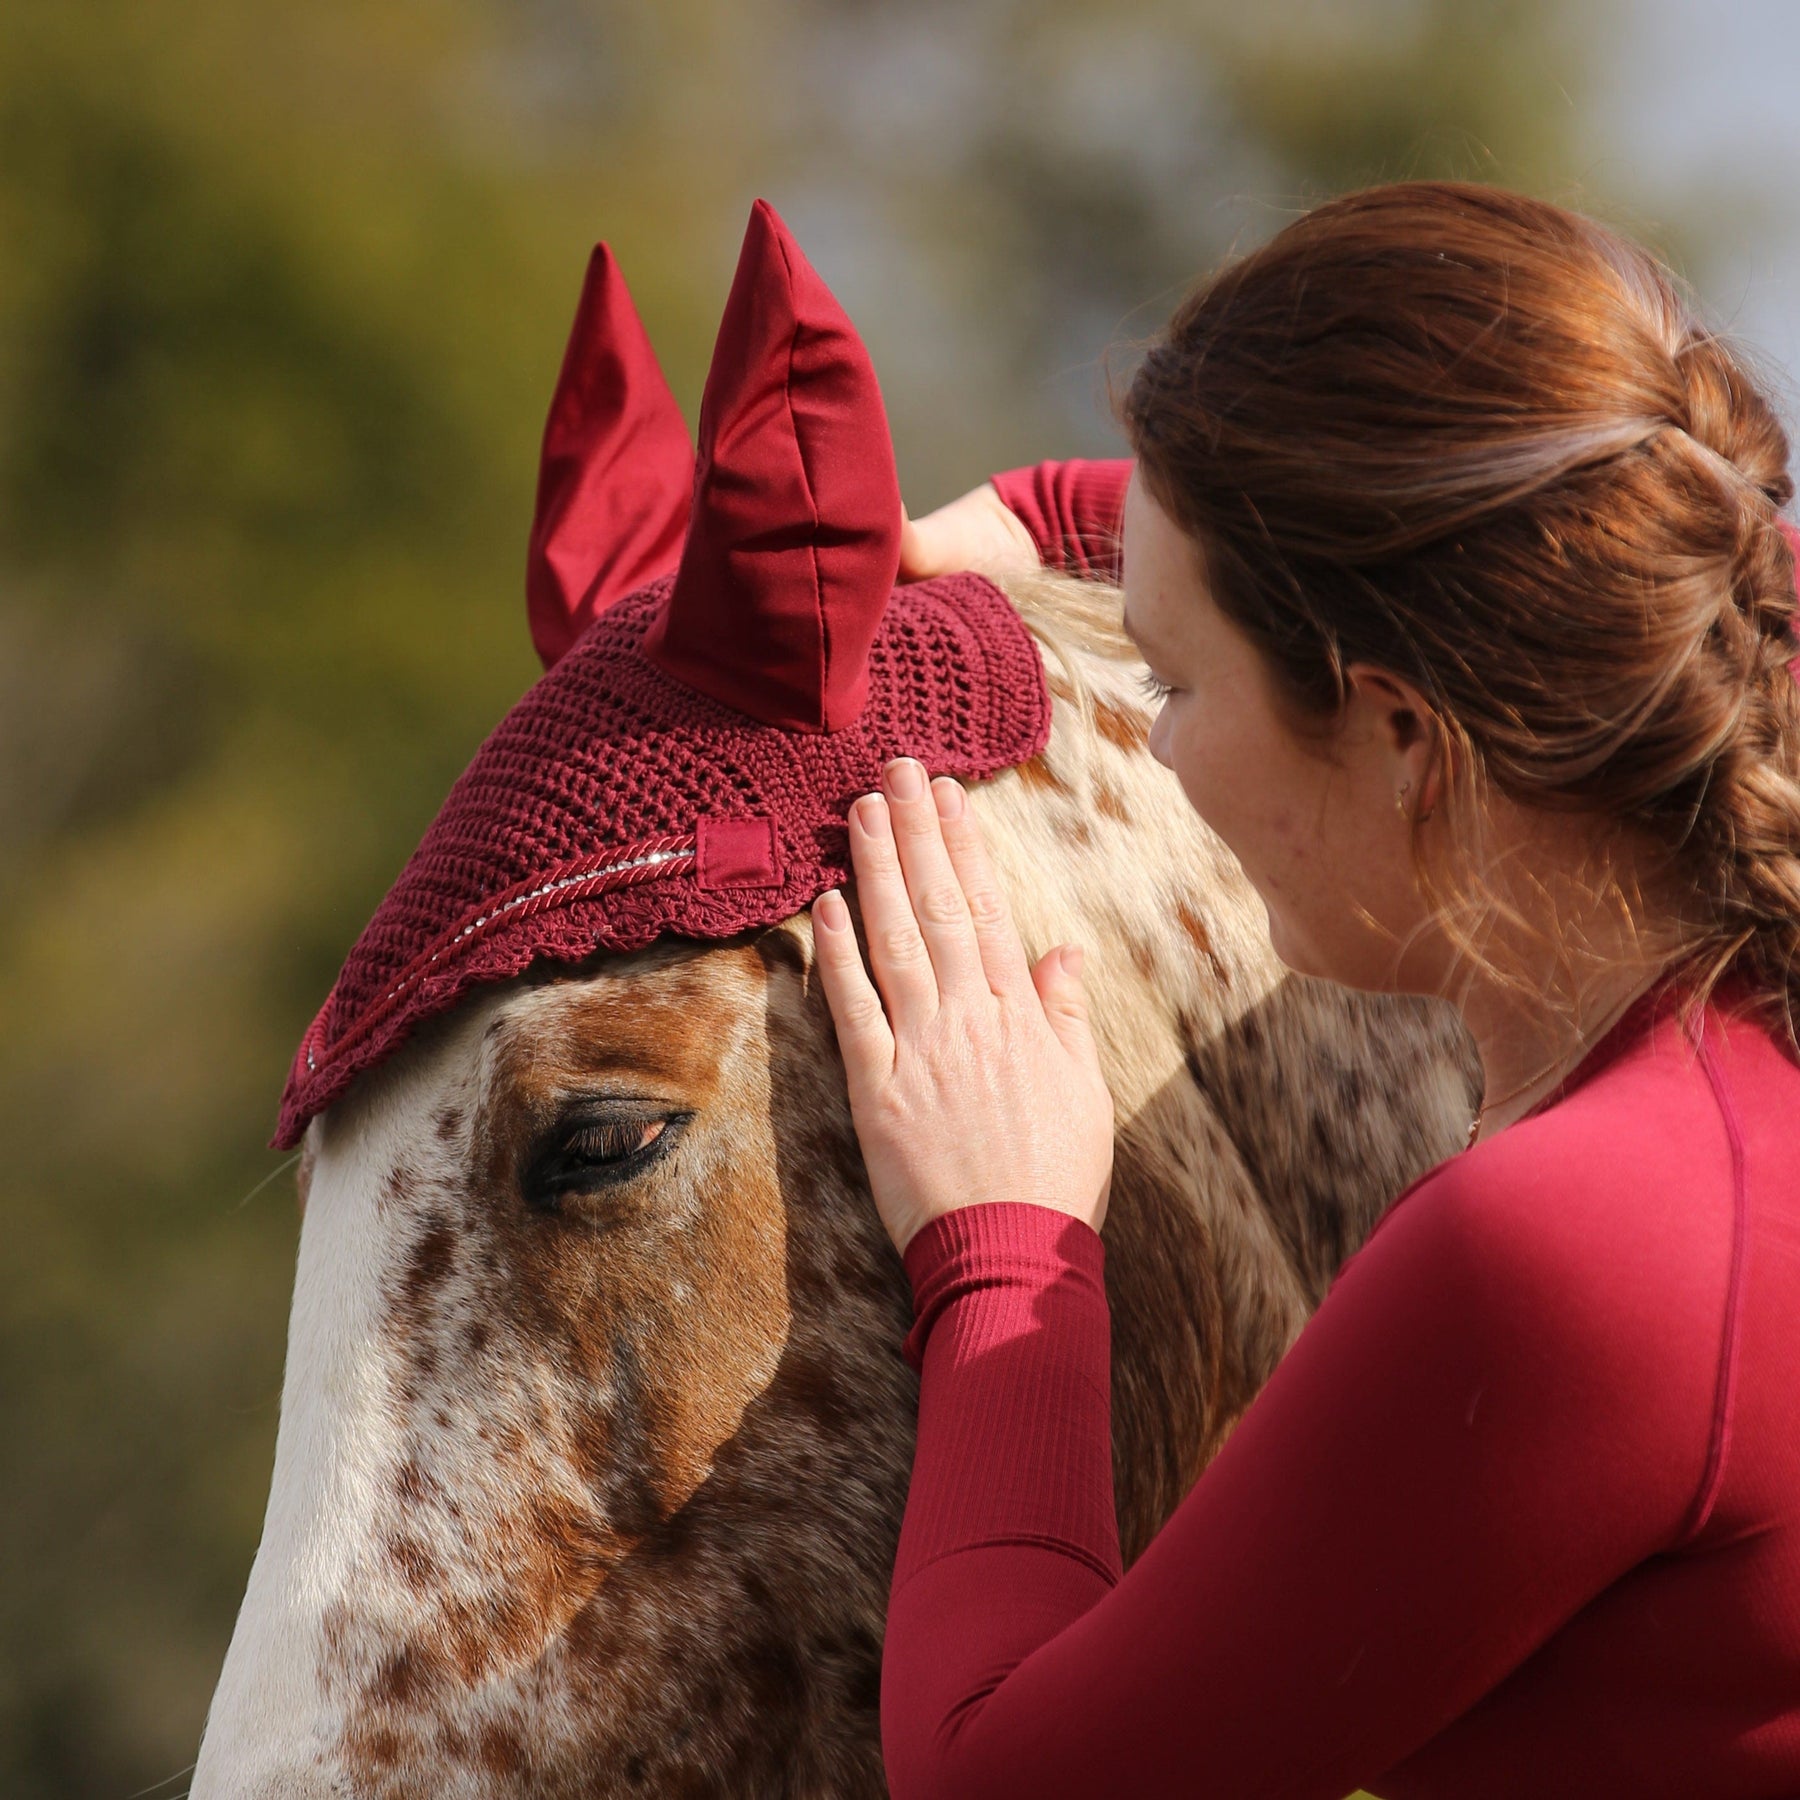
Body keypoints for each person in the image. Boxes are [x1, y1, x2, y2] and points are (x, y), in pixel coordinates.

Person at [805, 183, 1800, 1798]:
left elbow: (1004, 1781)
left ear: (1403, 733)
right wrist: (1062, 512)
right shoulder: (1739, 1005)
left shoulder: (1566, 1252)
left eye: (1172, 680)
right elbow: (1649, 523)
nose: (1159, 742)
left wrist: (1005, 1245)